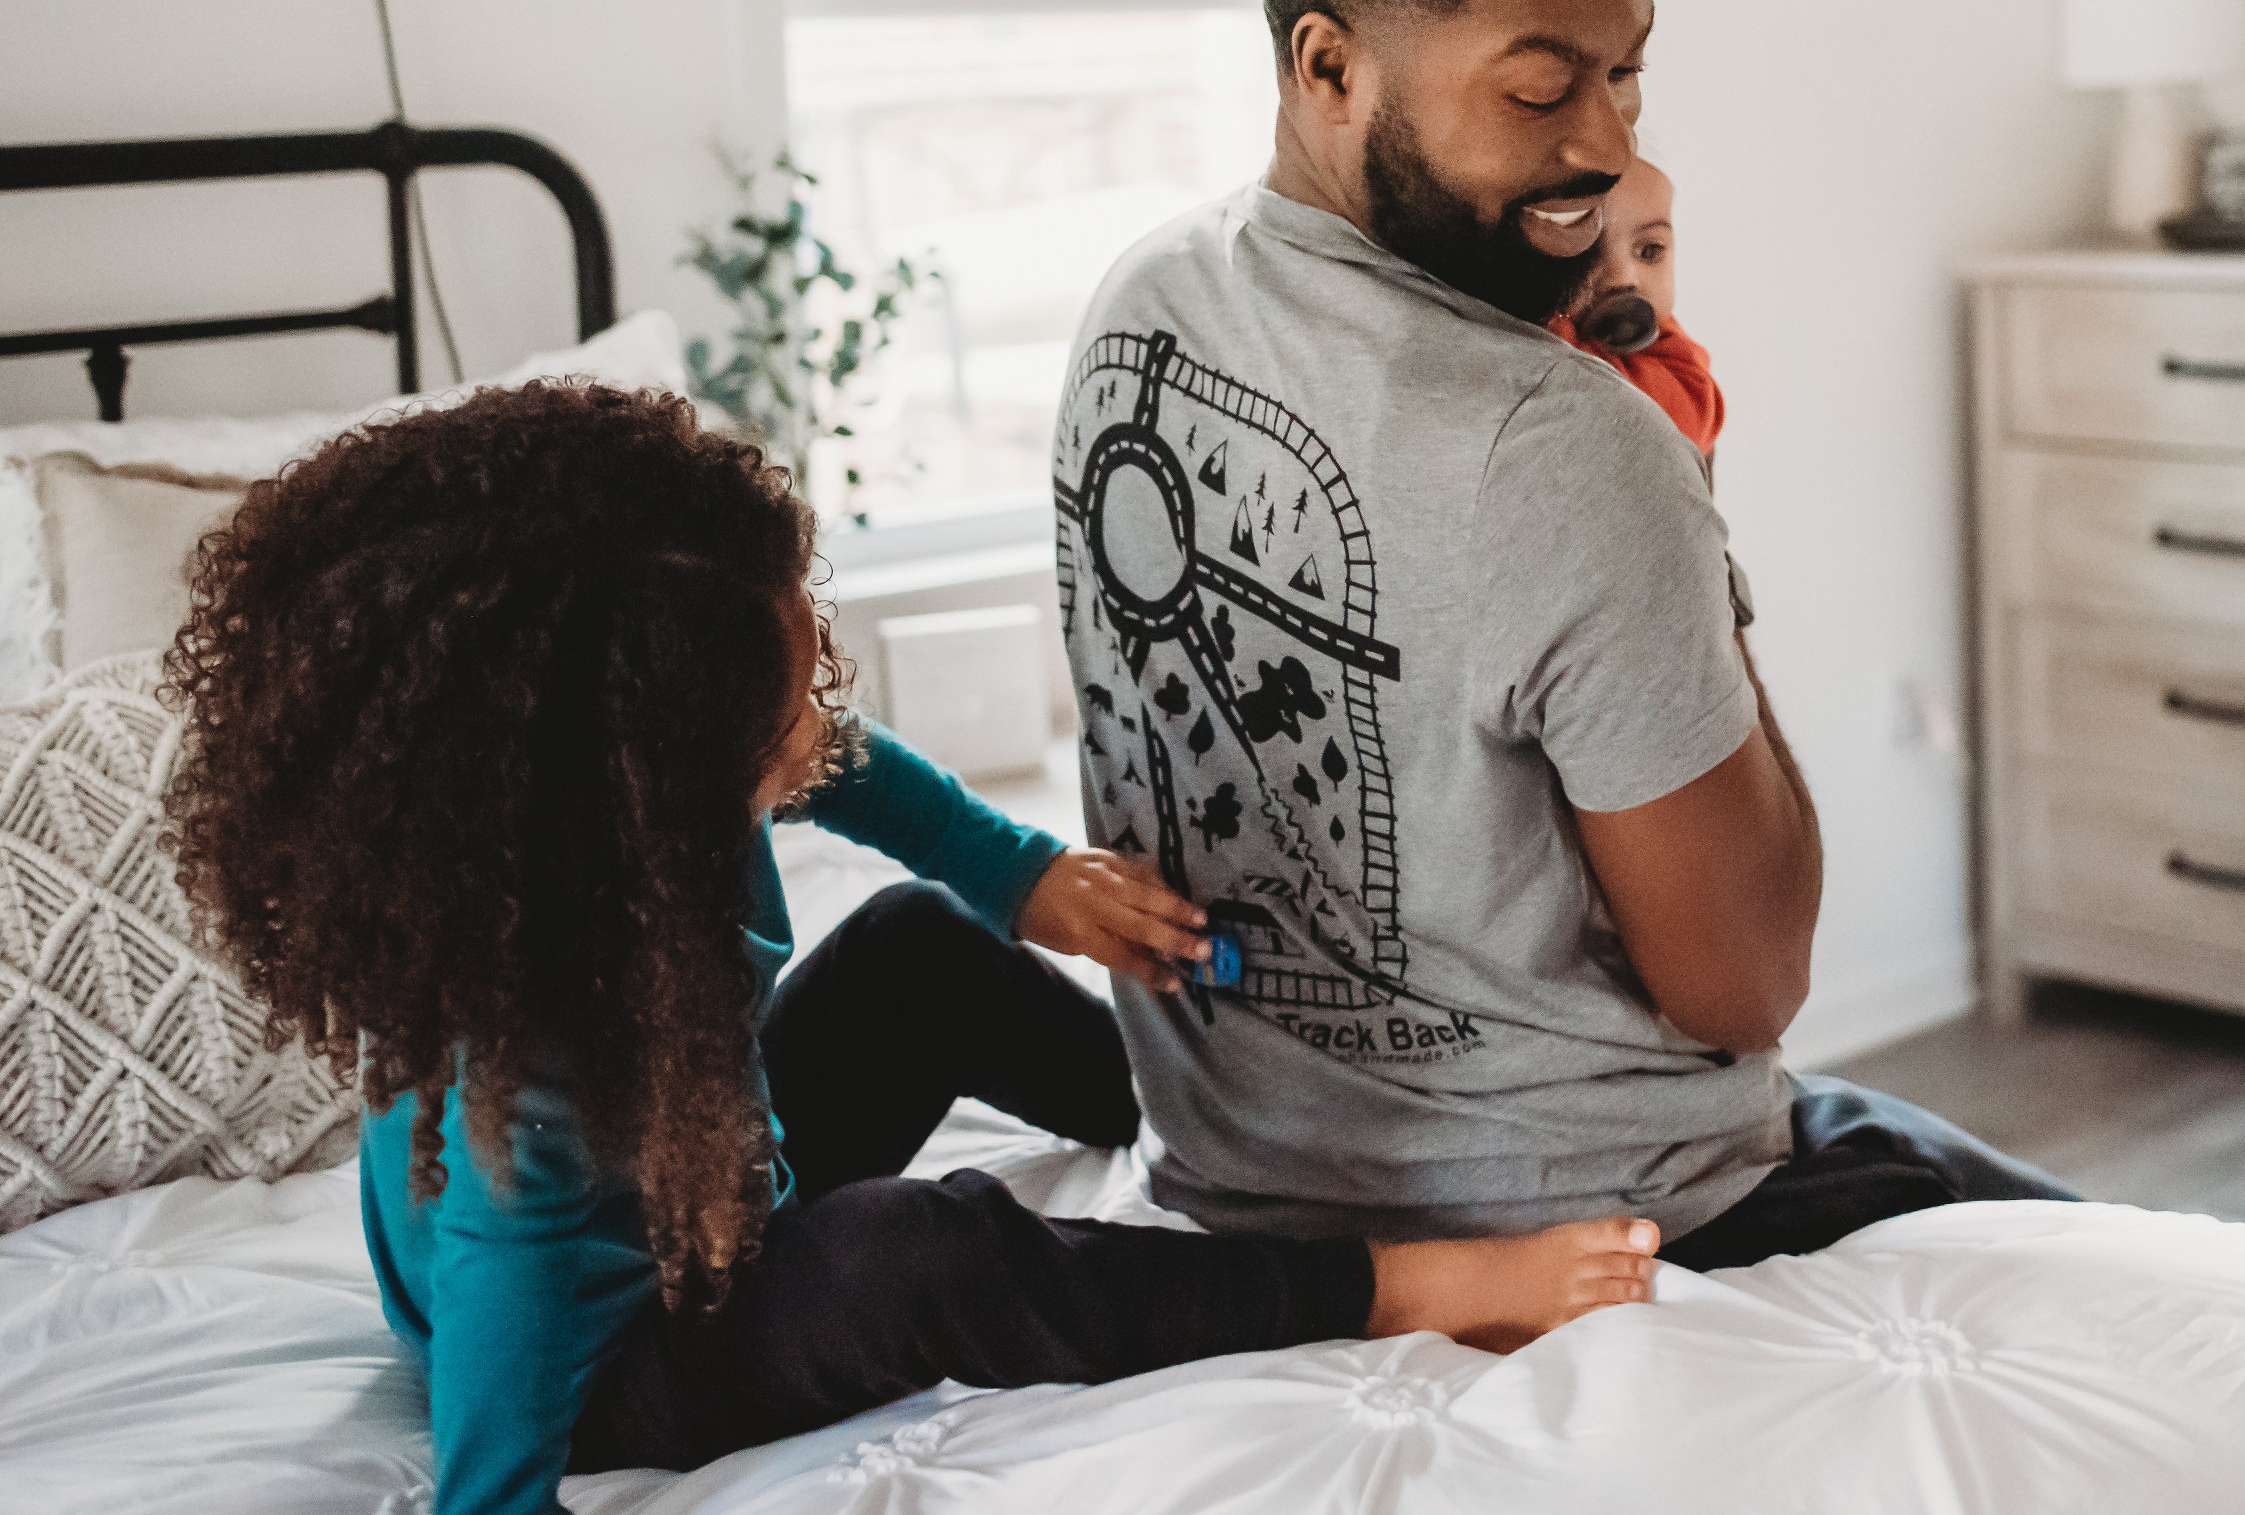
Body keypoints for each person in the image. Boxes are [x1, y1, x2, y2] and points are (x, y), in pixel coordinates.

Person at [163, 382, 1662, 1515]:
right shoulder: (531, 1071)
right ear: (643, 786)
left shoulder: (672, 762)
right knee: (910, 1252)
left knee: (914, 942)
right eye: (784, 706)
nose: (820, 713)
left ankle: (1229, 1128)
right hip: (620, 1358)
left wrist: (1027, 880)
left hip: (725, 1188)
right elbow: (494, 1376)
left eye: (807, 660)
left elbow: (849, 771)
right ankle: (1389, 1283)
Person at [1053, 0, 2069, 1267]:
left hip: (1232, 1178)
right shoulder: (1568, 442)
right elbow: (1748, 982)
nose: (1603, 143)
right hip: (1606, 1210)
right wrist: (1687, 526)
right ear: (1327, 68)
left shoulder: (1138, 309)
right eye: (1539, 87)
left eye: (1628, 71)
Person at [1547, 152, 1723, 460]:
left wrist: (1555, 332)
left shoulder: (1673, 353)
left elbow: (1683, 422)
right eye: (1588, 252)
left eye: (1650, 251)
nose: (1623, 278)